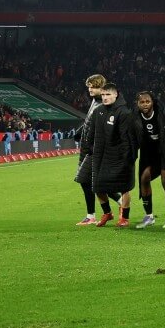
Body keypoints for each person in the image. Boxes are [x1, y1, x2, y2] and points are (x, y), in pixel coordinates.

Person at [90, 84, 138, 228]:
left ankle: (125, 217)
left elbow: (127, 138)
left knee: (124, 188)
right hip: (100, 156)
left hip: (120, 157)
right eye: (103, 95)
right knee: (97, 187)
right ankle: (107, 213)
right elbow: (92, 133)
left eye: (108, 95)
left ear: (116, 94)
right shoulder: (98, 111)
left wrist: (127, 157)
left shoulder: (124, 113)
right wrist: (89, 149)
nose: (105, 98)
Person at [132, 91, 165, 229]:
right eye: (142, 102)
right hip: (149, 154)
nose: (145, 104)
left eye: (148, 101)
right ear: (137, 104)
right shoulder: (134, 117)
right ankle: (149, 217)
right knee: (144, 179)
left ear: (152, 102)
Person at [73, 74, 106, 226]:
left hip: (93, 150)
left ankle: (122, 205)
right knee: (88, 181)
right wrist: (80, 131)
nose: (90, 89)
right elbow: (89, 121)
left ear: (102, 87)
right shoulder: (95, 101)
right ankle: (91, 215)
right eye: (89, 87)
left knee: (93, 182)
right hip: (87, 148)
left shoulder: (103, 104)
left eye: (94, 87)